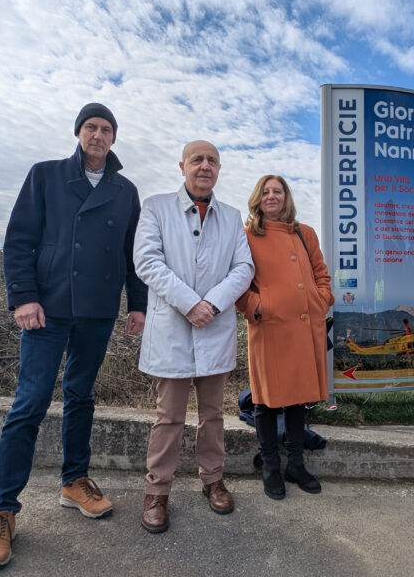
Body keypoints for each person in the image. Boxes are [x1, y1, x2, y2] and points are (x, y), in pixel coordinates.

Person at [0, 103, 147, 571]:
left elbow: (134, 256)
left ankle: (75, 482)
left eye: (106, 129)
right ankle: (3, 510)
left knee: (81, 396)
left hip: (96, 310)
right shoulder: (45, 175)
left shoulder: (125, 190)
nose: (98, 135)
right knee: (28, 404)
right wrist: (24, 297)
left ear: (113, 139)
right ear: (78, 133)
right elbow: (20, 241)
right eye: (91, 127)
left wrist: (137, 304)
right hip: (46, 309)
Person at [133, 140, 253, 534]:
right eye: (197, 160)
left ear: (219, 169)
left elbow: (243, 268)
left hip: (214, 327)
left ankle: (213, 479)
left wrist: (213, 304)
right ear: (182, 166)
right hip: (174, 327)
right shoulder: (156, 207)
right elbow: (147, 261)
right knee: (168, 417)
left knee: (213, 415)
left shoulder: (232, 216)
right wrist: (189, 303)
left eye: (212, 161)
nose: (205, 166)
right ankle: (157, 491)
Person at [236, 175, 333, 500]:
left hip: (305, 328)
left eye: (278, 191)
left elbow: (321, 272)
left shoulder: (305, 234)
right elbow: (236, 281)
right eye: (265, 191)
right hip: (269, 329)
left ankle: (296, 464)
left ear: (286, 197)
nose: (272, 196)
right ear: (257, 198)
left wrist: (321, 300)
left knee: (297, 399)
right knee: (265, 400)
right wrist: (258, 307)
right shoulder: (247, 235)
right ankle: (271, 469)